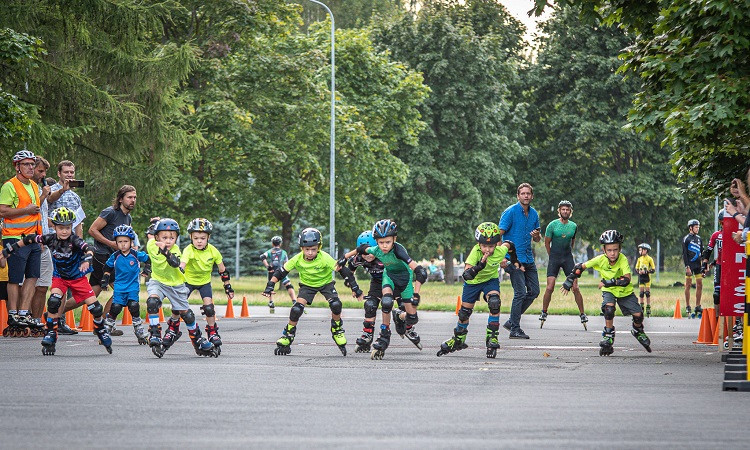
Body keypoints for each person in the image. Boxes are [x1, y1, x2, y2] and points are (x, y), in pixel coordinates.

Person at [1, 207, 112, 355]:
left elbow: (88, 248)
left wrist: (87, 259)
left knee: (96, 308)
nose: (64, 231)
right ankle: (51, 334)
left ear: (71, 227)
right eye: (61, 228)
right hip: (60, 278)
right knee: (53, 302)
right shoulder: (50, 238)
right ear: (54, 226)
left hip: (78, 279)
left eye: (67, 228)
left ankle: (100, 328)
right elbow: (29, 239)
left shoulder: (75, 240)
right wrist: (7, 251)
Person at [264, 227, 362, 356]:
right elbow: (281, 271)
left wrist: (354, 287)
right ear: (302, 248)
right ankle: (288, 334)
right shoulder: (297, 258)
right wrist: (270, 285)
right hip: (307, 286)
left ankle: (337, 329)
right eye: (307, 249)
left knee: (336, 304)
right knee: (296, 309)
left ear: (319, 248)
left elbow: (343, 270)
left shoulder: (324, 258)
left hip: (326, 284)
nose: (310, 252)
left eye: (313, 249)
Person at [343, 219, 428, 359]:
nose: (368, 257)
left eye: (387, 242)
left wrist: (416, 292)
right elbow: (352, 264)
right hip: (383, 280)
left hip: (402, 280)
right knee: (379, 304)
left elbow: (416, 269)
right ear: (377, 242)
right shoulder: (368, 253)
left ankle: (403, 321)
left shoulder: (392, 251)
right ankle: (377, 334)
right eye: (381, 243)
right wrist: (352, 284)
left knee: (410, 315)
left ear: (394, 239)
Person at [561, 229, 652, 356]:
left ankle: (637, 330)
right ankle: (608, 335)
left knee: (638, 315)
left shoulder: (623, 259)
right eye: (609, 250)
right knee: (609, 309)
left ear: (619, 249)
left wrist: (607, 282)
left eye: (615, 249)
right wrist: (570, 279)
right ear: (604, 250)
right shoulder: (600, 259)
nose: (613, 253)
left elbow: (626, 279)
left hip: (625, 291)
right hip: (609, 291)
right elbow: (580, 267)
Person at [436, 222, 519, 359]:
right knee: (464, 313)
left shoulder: (499, 251)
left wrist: (515, 261)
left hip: (490, 281)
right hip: (472, 283)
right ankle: (459, 339)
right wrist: (479, 266)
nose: (487, 249)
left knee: (494, 302)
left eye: (491, 246)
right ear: (479, 244)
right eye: (484, 246)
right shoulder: (475, 252)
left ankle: (492, 337)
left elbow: (509, 245)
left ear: (497, 244)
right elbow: (467, 274)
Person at [145, 218, 218, 358]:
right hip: (158, 282)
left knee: (187, 315)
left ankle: (197, 339)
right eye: (164, 237)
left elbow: (174, 262)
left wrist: (165, 251)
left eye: (172, 238)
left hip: (176, 285)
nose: (168, 241)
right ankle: (154, 332)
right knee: (152, 302)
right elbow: (150, 235)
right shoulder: (151, 245)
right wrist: (155, 223)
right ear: (157, 237)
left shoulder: (176, 250)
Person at [0, 150, 43, 336]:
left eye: (32, 164)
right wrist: (25, 209)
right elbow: (2, 211)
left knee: (33, 276)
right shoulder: (10, 186)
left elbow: (37, 214)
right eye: (26, 164)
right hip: (15, 238)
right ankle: (13, 314)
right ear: (17, 166)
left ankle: (24, 313)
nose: (30, 167)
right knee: (15, 278)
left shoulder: (34, 185)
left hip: (33, 238)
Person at [86, 185, 137, 336]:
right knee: (122, 291)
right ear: (121, 199)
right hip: (103, 256)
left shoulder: (128, 217)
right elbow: (92, 230)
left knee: (87, 296)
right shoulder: (110, 212)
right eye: (129, 197)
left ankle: (53, 315)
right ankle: (103, 325)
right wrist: (111, 244)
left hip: (112, 258)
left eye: (134, 197)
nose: (132, 200)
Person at [180, 218, 234, 355]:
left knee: (209, 308)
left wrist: (228, 287)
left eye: (203, 238)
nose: (199, 241)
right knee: (179, 308)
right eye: (196, 238)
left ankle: (212, 331)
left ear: (208, 237)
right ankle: (173, 329)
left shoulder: (213, 251)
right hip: (188, 281)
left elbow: (223, 270)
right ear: (190, 237)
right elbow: (182, 265)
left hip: (204, 282)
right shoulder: (188, 250)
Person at [498, 183, 541, 339]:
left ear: (532, 196)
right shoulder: (510, 212)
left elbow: (537, 238)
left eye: (528, 193)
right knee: (520, 293)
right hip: (513, 259)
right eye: (523, 193)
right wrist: (501, 257)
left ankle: (511, 321)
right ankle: (515, 329)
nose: (526, 196)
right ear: (518, 196)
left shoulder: (534, 214)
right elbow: (498, 235)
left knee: (534, 291)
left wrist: (536, 236)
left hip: (528, 259)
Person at [540, 200, 587, 329]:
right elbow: (546, 243)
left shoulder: (573, 226)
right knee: (550, 287)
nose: (565, 211)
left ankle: (582, 314)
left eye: (567, 210)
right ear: (559, 211)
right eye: (563, 209)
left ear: (570, 212)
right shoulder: (552, 225)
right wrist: (552, 256)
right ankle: (544, 311)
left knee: (575, 287)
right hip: (554, 257)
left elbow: (572, 241)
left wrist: (568, 253)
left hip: (567, 258)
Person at [101, 225, 151, 345]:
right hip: (119, 287)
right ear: (116, 242)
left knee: (133, 307)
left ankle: (139, 332)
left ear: (131, 241)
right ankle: (106, 332)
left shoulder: (135, 254)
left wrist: (147, 270)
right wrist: (105, 279)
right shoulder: (115, 256)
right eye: (120, 242)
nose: (123, 244)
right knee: (115, 308)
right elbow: (107, 267)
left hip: (133, 287)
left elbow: (148, 259)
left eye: (126, 241)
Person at [347, 230, 385, 353]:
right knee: (370, 305)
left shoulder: (384, 255)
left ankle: (407, 326)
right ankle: (367, 335)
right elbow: (350, 270)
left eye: (370, 251)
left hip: (394, 281)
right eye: (364, 253)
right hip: (377, 282)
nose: (367, 256)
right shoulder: (358, 258)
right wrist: (354, 287)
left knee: (395, 306)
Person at [30, 157, 53, 331]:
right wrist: (44, 195)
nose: (43, 175)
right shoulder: (28, 190)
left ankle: (37, 320)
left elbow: (42, 215)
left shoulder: (39, 188)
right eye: (40, 171)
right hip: (30, 241)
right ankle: (24, 318)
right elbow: (32, 209)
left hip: (44, 242)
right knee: (28, 283)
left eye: (44, 171)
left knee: (43, 284)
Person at [47, 160, 85, 237]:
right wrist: (62, 190)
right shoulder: (49, 189)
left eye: (72, 172)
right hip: (52, 238)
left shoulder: (76, 197)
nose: (69, 174)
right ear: (59, 174)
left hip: (71, 240)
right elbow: (50, 198)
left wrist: (80, 244)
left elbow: (79, 222)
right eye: (66, 172)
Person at [260, 235, 296, 313]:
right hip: (281, 271)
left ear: (272, 244)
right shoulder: (284, 252)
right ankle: (294, 301)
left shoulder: (269, 251)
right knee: (289, 285)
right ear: (280, 244)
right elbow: (286, 263)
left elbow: (262, 256)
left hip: (272, 271)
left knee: (270, 286)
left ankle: (271, 302)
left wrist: (268, 266)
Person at [682, 219, 704, 318]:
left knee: (700, 284)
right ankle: (687, 306)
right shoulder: (686, 239)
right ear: (690, 228)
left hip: (698, 265)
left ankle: (698, 306)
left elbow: (702, 253)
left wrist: (704, 266)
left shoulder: (699, 239)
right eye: (696, 227)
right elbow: (685, 254)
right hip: (689, 265)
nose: (697, 229)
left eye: (698, 227)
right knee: (688, 285)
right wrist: (687, 267)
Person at [635, 243, 656, 317]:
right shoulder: (639, 259)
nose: (640, 251)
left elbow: (653, 269)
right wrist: (639, 271)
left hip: (647, 277)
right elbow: (636, 269)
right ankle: (641, 307)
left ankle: (648, 307)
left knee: (647, 293)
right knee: (641, 293)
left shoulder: (649, 259)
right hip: (641, 277)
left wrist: (647, 271)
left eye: (641, 250)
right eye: (639, 250)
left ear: (645, 250)